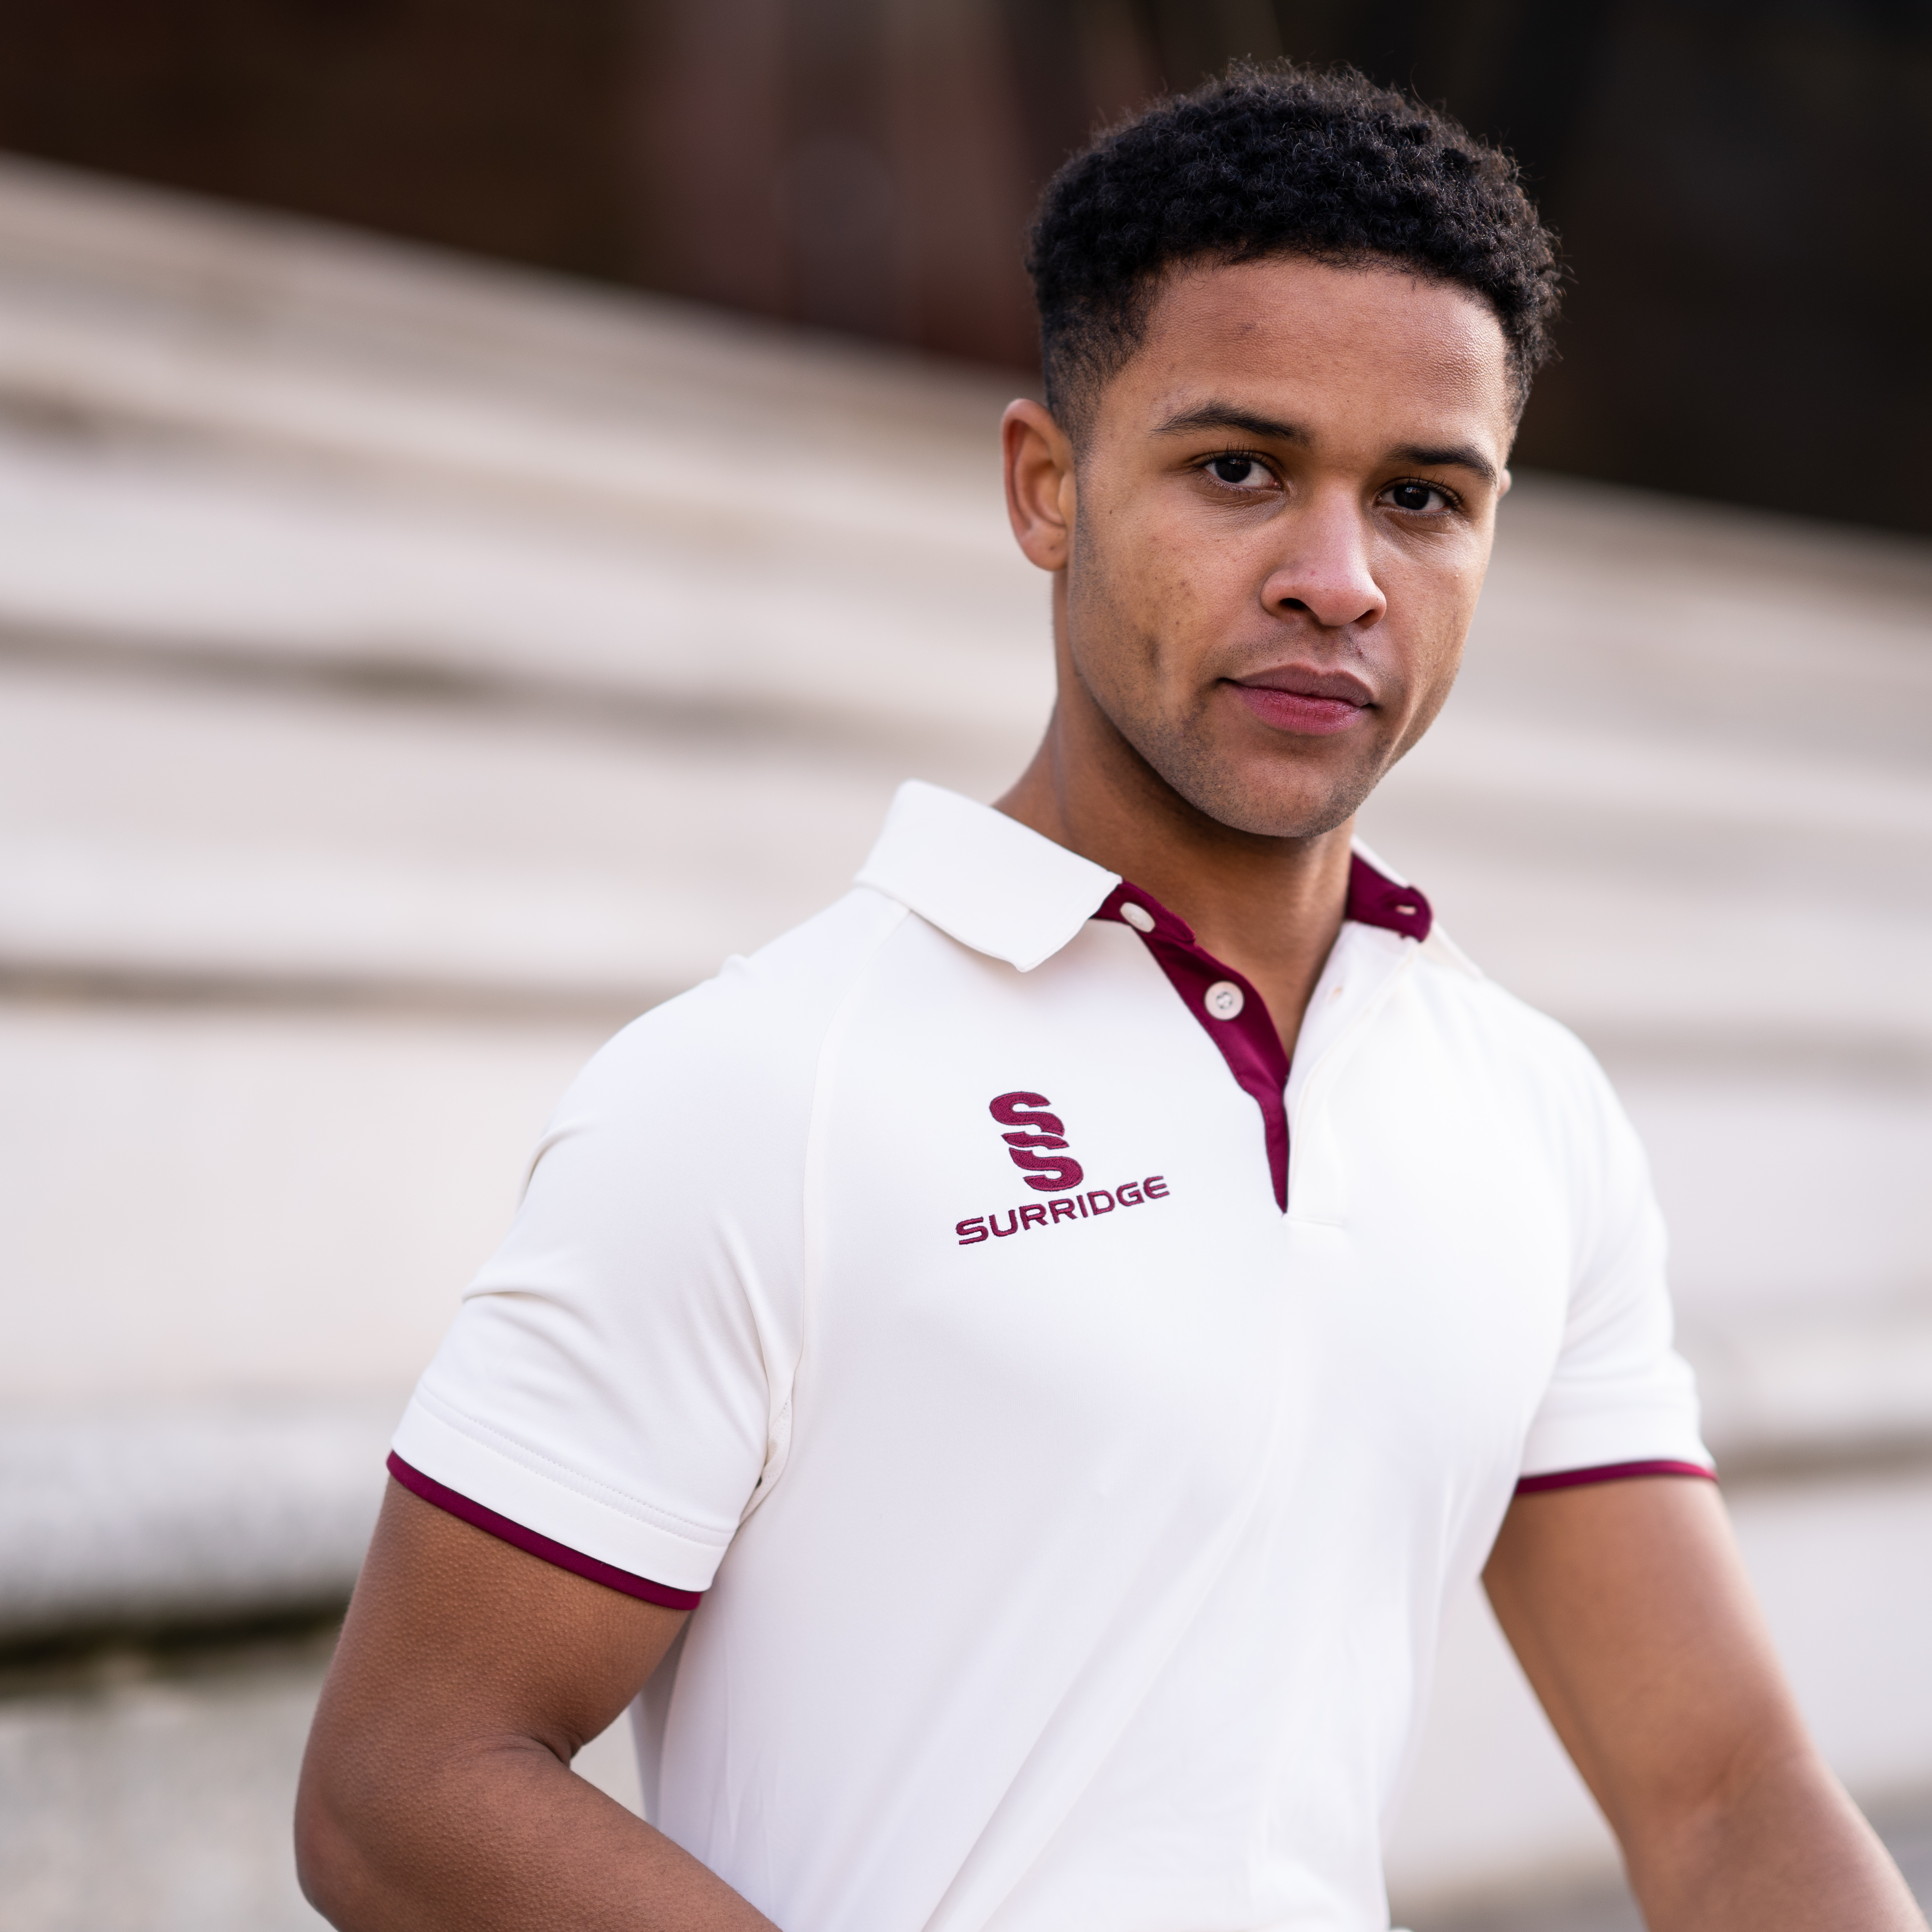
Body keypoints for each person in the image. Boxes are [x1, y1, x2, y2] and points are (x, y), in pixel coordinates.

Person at [296, 62, 1924, 1932]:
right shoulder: (760, 1086)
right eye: (1239, 470)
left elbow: (1721, 1796)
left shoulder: (1522, 1101)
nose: (1338, 581)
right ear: (1047, 487)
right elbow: (402, 1790)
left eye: (1420, 498)